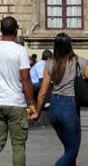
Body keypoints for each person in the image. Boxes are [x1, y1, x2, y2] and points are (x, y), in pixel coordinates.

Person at [0, 16, 37, 166]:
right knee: (18, 145)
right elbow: (25, 79)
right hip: (15, 104)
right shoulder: (20, 51)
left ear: (0, 30)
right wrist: (32, 104)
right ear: (16, 30)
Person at [35, 32, 88, 165]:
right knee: (72, 151)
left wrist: (37, 111)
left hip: (54, 107)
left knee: (68, 148)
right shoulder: (79, 61)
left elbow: (42, 92)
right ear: (70, 45)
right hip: (69, 107)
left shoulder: (49, 63)